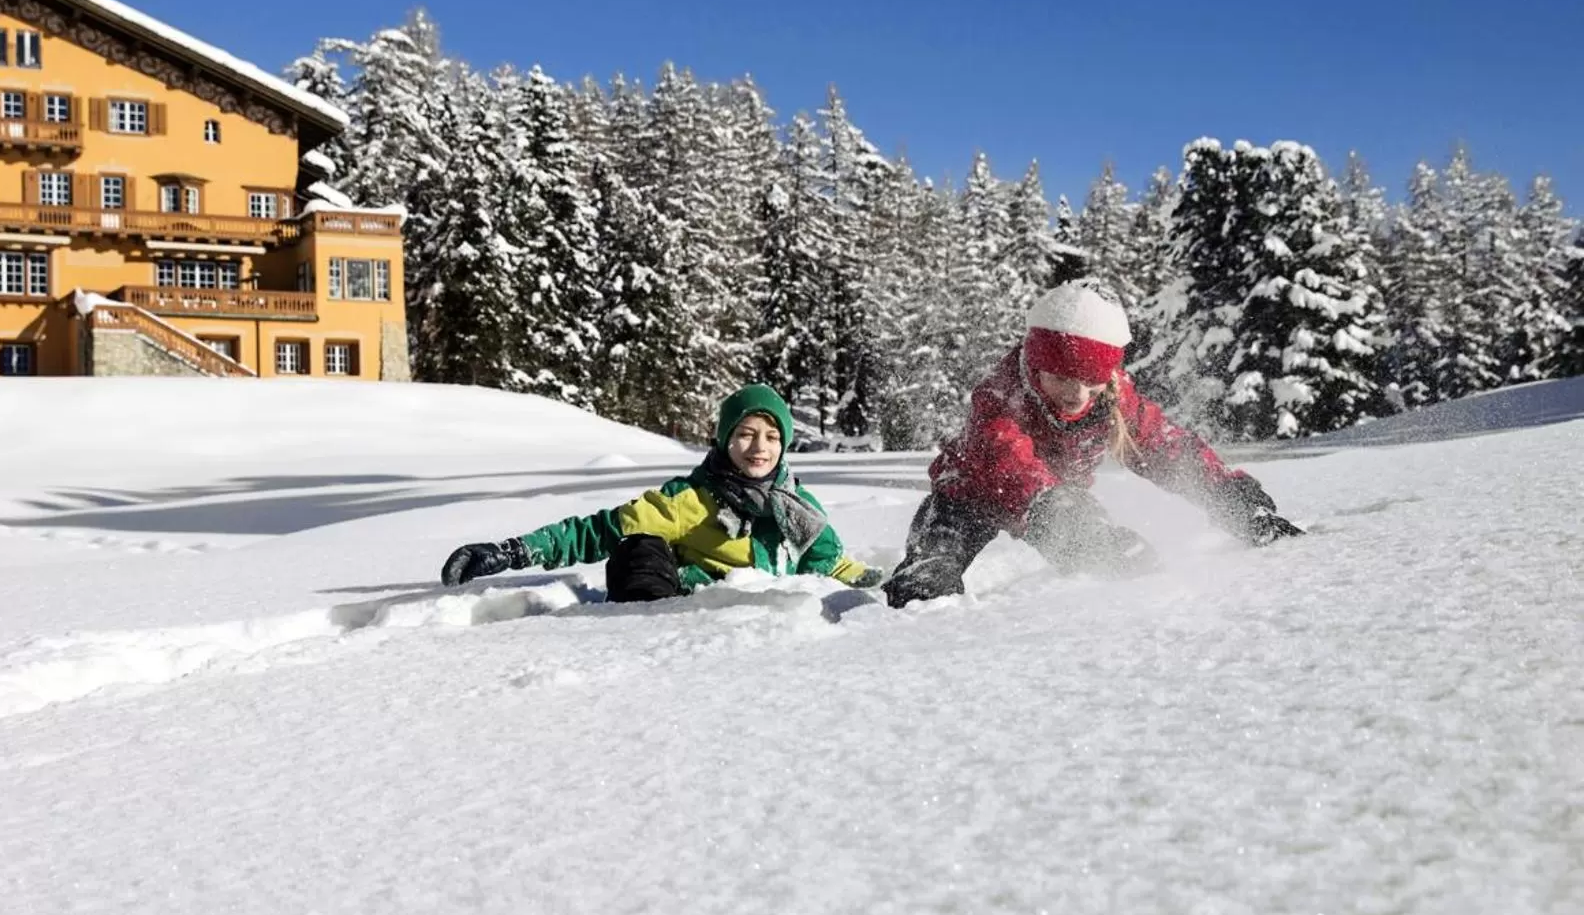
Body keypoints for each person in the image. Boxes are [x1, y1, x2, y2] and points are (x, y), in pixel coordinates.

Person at [886, 279, 1302, 609]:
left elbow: (1166, 447)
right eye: (1063, 378)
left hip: (1054, 505)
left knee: (1120, 567)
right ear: (1035, 364)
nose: (1077, 395)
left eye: (1091, 381)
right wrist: (1072, 519)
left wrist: (1232, 501)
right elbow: (1009, 464)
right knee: (928, 580)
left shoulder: (1114, 397)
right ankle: (918, 592)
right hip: (971, 497)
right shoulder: (999, 396)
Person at [441, 384, 884, 602]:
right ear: (725, 441)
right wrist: (513, 551)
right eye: (746, 434)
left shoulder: (799, 508)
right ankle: (640, 621)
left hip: (768, 641)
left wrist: (884, 587)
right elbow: (599, 530)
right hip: (689, 625)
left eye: (771, 437)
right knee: (638, 546)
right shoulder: (692, 499)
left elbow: (830, 564)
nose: (759, 448)